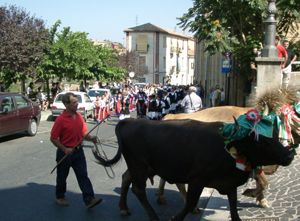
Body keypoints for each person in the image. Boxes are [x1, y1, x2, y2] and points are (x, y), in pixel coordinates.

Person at [50, 92, 102, 209]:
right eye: (74, 103)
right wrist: (64, 149)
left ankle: (89, 199)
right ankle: (60, 196)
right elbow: (53, 138)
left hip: (78, 152)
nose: (77, 104)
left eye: (77, 102)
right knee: (62, 177)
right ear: (66, 104)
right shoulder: (61, 120)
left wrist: (91, 138)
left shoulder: (79, 116)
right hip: (65, 153)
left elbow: (83, 134)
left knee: (83, 175)